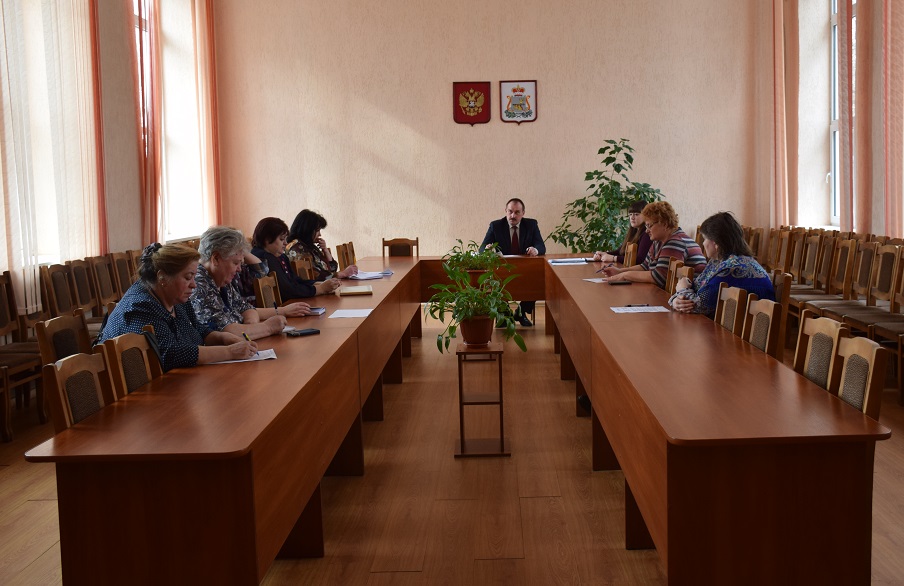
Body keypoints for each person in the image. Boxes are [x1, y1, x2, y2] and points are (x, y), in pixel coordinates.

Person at [96, 243, 257, 371]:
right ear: (162, 278)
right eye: (188, 277)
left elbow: (197, 329)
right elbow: (171, 353)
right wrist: (230, 352)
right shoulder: (140, 306)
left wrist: (223, 338)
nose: (194, 285)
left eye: (194, 277)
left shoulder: (174, 296)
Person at [191, 226, 315, 340]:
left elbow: (246, 308)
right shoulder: (198, 285)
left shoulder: (220, 278)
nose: (239, 269)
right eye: (235, 263)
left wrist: (251, 327)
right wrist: (267, 327)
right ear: (216, 259)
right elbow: (226, 332)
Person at [669, 211, 774, 317]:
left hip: (746, 325)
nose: (703, 243)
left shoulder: (731, 268)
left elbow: (697, 304)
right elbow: (696, 288)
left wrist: (681, 289)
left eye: (705, 239)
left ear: (716, 244)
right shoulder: (717, 261)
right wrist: (676, 300)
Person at [602, 201, 707, 288]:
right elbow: (644, 266)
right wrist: (619, 271)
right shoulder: (659, 241)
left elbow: (658, 277)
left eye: (649, 226)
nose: (646, 231)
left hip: (687, 298)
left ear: (664, 224)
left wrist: (625, 275)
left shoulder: (676, 242)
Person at [479, 197, 546, 326]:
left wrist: (536, 250)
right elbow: (482, 248)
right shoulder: (496, 226)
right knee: (495, 280)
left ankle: (521, 312)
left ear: (523, 213)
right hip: (502, 270)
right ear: (505, 211)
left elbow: (541, 246)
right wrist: (487, 249)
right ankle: (505, 314)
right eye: (510, 211)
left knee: (538, 280)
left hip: (525, 269)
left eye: (517, 212)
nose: (513, 216)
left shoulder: (531, 225)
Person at [251, 217, 341, 299]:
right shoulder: (264, 258)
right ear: (267, 239)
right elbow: (288, 290)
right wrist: (320, 289)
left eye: (285, 239)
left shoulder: (280, 256)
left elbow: (295, 280)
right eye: (281, 239)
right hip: (284, 306)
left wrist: (320, 284)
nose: (286, 243)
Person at [287, 209, 358, 280]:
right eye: (317, 231)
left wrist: (325, 250)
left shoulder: (309, 246)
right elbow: (317, 276)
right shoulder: (296, 248)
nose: (320, 234)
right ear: (307, 230)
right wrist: (342, 273)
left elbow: (332, 268)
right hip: (315, 287)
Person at [592, 200, 653, 265]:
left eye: (636, 214)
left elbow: (640, 260)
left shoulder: (647, 234)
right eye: (630, 214)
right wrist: (603, 254)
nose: (632, 218)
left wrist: (614, 258)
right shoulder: (633, 232)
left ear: (646, 216)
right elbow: (620, 252)